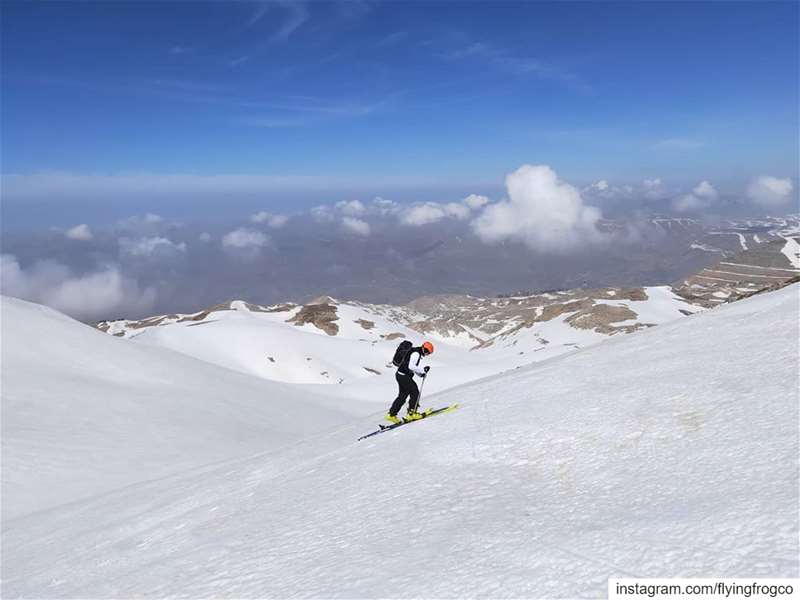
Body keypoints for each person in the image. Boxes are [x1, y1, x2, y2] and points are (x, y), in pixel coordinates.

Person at [386, 341, 434, 424]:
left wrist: (420, 374)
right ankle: (412, 413)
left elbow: (411, 366)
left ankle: (391, 415)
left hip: (400, 375)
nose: (426, 354)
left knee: (402, 396)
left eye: (428, 353)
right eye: (426, 351)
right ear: (423, 347)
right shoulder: (416, 353)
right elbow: (411, 366)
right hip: (404, 376)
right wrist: (422, 370)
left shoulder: (415, 351)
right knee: (415, 392)